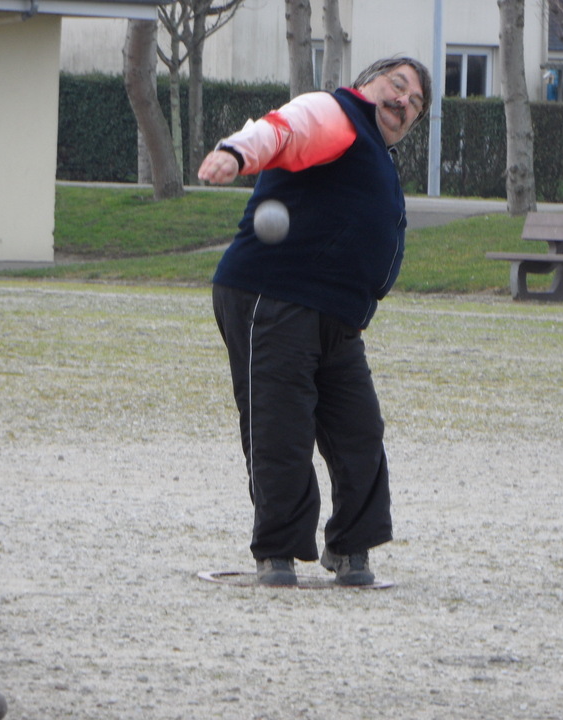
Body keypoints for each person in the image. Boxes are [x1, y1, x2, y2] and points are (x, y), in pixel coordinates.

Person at [198, 57, 431, 586]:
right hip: (272, 293)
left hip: (337, 316)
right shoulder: (337, 113)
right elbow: (284, 129)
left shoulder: (373, 152)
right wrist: (237, 153)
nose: (404, 103)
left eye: (416, 103)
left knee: (360, 429)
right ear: (367, 82)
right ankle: (278, 553)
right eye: (398, 86)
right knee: (279, 424)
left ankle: (352, 549)